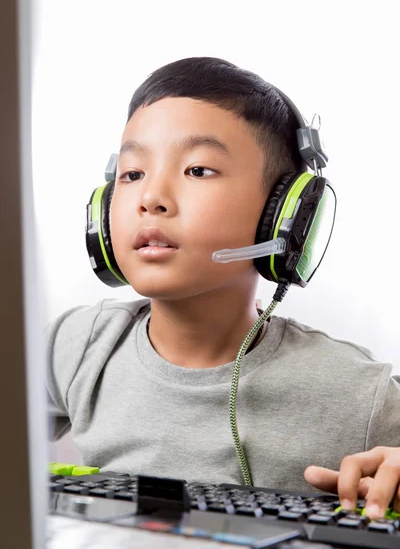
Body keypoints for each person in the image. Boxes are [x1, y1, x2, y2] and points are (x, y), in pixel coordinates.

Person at [47, 57, 400, 520]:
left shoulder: (359, 392)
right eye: (132, 174)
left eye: (197, 170)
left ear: (288, 217)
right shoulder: (80, 345)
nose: (151, 198)